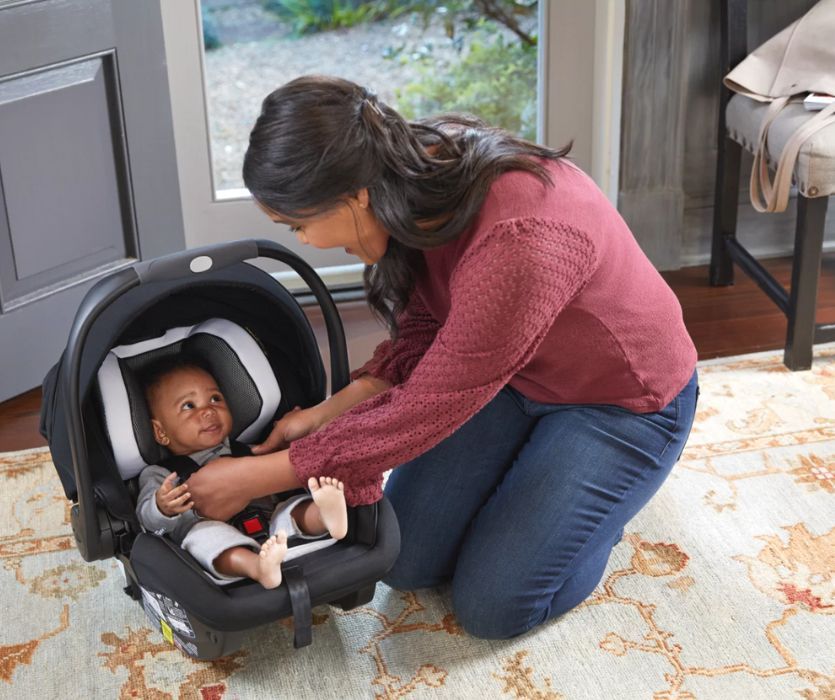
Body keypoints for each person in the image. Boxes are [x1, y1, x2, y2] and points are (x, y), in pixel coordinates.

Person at [185, 75, 699, 638]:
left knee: (494, 608)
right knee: (404, 563)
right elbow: (432, 324)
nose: (304, 241)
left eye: (299, 223)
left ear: (355, 194)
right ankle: (542, 479)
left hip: (623, 405)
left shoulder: (522, 241)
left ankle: (603, 512)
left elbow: (427, 407)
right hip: (510, 381)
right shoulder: (407, 172)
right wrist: (327, 413)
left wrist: (255, 477)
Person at [135, 356, 348, 589]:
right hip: (214, 532)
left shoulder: (244, 449)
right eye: (189, 406)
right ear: (160, 431)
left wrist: (286, 447)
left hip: (272, 522)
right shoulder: (162, 474)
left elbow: (275, 471)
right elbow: (146, 519)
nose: (208, 411)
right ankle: (256, 567)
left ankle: (324, 516)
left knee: (292, 507)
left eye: (215, 398)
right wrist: (161, 507)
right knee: (203, 538)